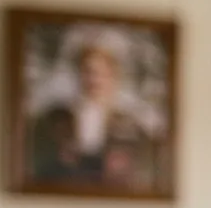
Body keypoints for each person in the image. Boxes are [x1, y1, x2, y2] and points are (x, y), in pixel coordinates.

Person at [25, 31, 160, 190]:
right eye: (87, 71)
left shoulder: (132, 124)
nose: (93, 80)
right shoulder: (56, 118)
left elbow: (142, 177)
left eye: (101, 73)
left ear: (114, 76)